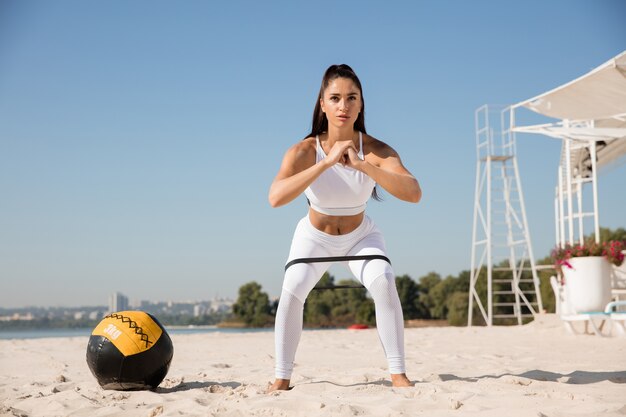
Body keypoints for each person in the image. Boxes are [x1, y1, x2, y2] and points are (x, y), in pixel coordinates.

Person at [267, 64, 422, 392]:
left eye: (352, 98)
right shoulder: (304, 151)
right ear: (322, 104)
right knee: (292, 288)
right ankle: (281, 378)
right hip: (314, 237)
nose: (343, 105)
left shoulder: (377, 150)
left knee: (383, 281)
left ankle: (398, 374)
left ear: (361, 104)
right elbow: (275, 198)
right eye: (335, 98)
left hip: (360, 236)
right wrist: (326, 162)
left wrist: (361, 164)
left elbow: (414, 193)